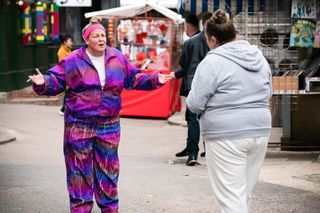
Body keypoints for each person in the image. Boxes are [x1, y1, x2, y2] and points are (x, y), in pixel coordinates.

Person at [28, 17, 171, 213]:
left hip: (109, 125)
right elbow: (57, 81)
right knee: (78, 172)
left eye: (103, 35)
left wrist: (155, 78)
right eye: (96, 36)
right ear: (87, 39)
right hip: (79, 125)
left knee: (108, 172)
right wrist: (42, 81)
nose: (101, 38)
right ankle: (80, 209)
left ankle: (110, 209)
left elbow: (134, 78)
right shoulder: (72, 60)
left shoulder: (117, 58)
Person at [186, 9, 272, 212]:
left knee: (231, 199)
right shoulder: (259, 57)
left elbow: (195, 102)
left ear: (213, 40)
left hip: (226, 134)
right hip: (260, 129)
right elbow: (269, 92)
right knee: (243, 194)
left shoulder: (212, 61)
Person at [170, 12, 212, 166]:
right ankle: (203, 149)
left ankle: (192, 152)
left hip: (192, 84)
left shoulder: (191, 42)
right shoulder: (216, 43)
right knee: (206, 116)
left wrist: (174, 75)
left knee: (193, 119)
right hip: (210, 84)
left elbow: (184, 65)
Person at [57, 34, 73, 115]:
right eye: (70, 41)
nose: (71, 43)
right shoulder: (61, 52)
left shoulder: (68, 50)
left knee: (69, 92)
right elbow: (62, 65)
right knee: (68, 91)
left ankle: (64, 108)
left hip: (70, 74)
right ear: (65, 42)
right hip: (65, 75)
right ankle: (63, 109)